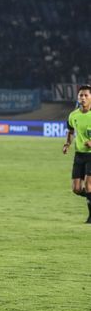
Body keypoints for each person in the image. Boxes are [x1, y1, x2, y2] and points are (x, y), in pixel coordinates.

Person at [62, 84, 91, 223]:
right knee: (76, 189)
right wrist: (67, 144)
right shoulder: (73, 115)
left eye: (86, 95)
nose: (83, 98)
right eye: (81, 95)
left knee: (89, 185)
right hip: (79, 154)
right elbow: (71, 131)